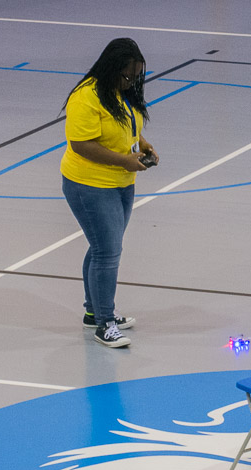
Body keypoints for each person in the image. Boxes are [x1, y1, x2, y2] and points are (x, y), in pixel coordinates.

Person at [60, 38, 158, 348]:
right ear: (111, 68)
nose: (131, 81)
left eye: (136, 76)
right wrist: (124, 160)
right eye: (127, 75)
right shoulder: (85, 97)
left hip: (121, 182)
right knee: (108, 251)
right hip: (89, 185)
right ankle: (105, 322)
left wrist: (141, 144)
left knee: (102, 247)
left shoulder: (120, 92)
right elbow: (82, 145)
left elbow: (127, 123)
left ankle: (93, 311)